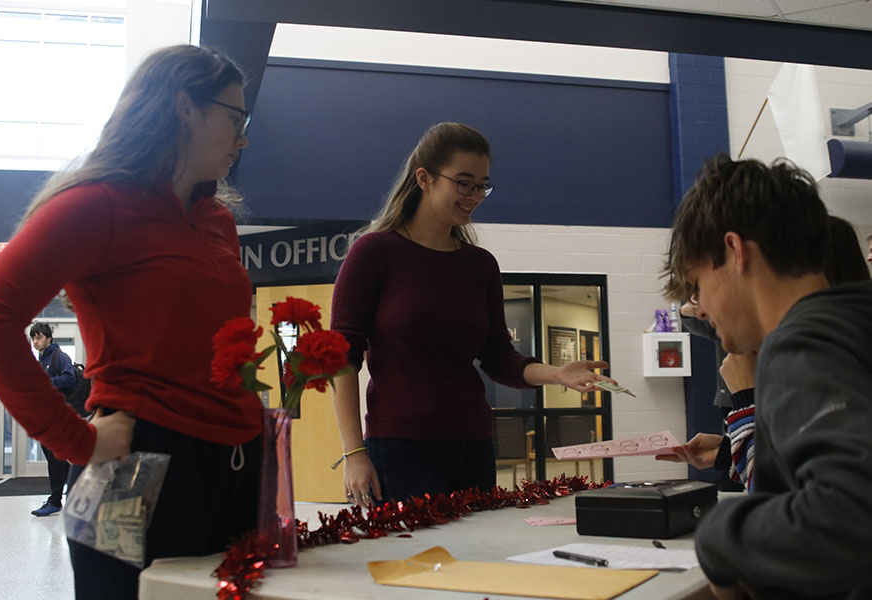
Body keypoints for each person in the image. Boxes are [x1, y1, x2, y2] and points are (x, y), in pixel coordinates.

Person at [0, 45, 262, 599]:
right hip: (131, 464)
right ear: (184, 107)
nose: (243, 137)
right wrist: (71, 439)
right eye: (235, 117)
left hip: (234, 460)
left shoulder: (215, 218)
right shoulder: (98, 203)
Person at [330, 122, 614, 508]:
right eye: (464, 183)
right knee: (414, 564)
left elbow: (497, 356)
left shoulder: (479, 265)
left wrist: (555, 374)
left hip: (475, 444)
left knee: (475, 561)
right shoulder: (374, 253)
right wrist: (353, 452)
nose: (475, 195)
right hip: (400, 448)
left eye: (482, 185)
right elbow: (341, 358)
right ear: (424, 178)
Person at [661, 154, 872, 599]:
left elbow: (851, 517)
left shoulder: (801, 344)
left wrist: (720, 534)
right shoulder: (853, 323)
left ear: (735, 251)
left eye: (698, 283)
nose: (702, 307)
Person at [659, 214, 871, 493]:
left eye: (702, 287)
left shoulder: (833, 364)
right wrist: (728, 451)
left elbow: (784, 502)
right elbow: (800, 460)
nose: (699, 309)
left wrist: (748, 400)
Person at [28, 321, 77, 517]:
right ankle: (71, 492)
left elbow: (69, 378)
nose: (35, 341)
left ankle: (55, 501)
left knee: (56, 457)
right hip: (46, 415)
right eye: (33, 337)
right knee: (56, 457)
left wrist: (45, 382)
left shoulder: (59, 357)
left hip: (59, 416)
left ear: (49, 338)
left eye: (39, 337)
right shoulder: (41, 360)